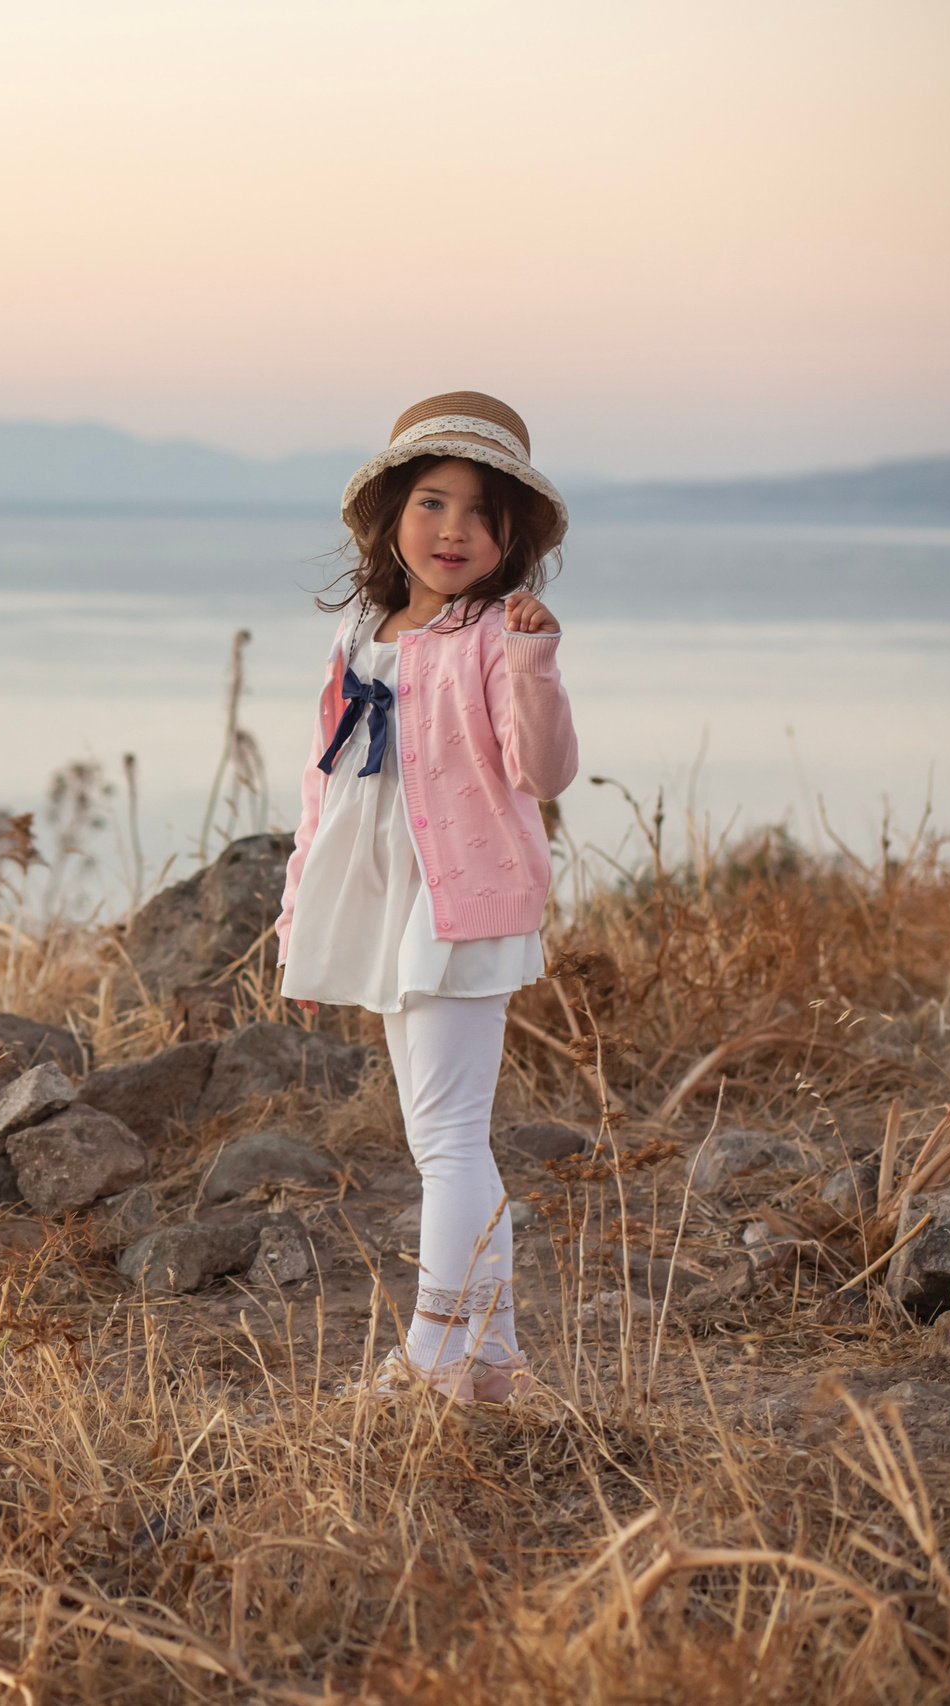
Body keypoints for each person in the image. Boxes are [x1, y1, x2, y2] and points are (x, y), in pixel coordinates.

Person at [274, 391, 579, 1404]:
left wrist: (535, 662)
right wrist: (298, 921)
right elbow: (321, 790)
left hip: (461, 906)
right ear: (392, 515)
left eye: (481, 512)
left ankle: (432, 1356)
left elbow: (543, 772)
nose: (454, 530)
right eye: (433, 502)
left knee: (448, 1140)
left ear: (509, 537)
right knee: (440, 1138)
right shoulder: (361, 633)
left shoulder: (494, 634)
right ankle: (490, 1365)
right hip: (385, 912)